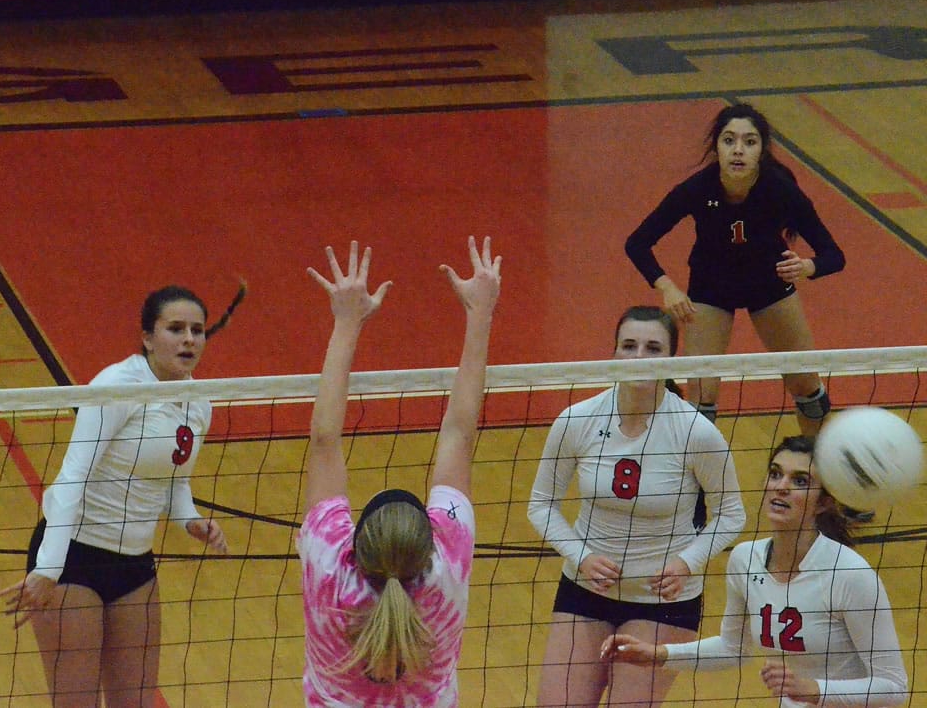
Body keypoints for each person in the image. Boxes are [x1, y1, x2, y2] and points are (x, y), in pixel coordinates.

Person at [0, 283, 245, 708]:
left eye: (197, 330)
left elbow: (174, 479)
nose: (189, 338)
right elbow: (70, 480)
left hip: (135, 565)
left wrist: (189, 519)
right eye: (175, 329)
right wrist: (49, 567)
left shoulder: (198, 403)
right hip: (73, 560)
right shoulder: (117, 386)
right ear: (148, 338)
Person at [297, 236, 500, 707]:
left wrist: (346, 322)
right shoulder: (446, 566)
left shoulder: (331, 566)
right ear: (428, 545)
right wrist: (480, 315)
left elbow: (324, 441)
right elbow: (459, 436)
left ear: (356, 546)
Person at [527, 305, 747, 707]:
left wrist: (687, 562)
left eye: (652, 347)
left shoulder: (696, 432)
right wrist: (582, 556)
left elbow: (732, 514)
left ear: (671, 360)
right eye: (629, 346)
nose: (639, 357)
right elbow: (541, 505)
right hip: (585, 590)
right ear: (613, 353)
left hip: (662, 601)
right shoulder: (577, 420)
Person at [603, 435, 909, 706]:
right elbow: (733, 648)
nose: (781, 487)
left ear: (823, 503)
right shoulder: (745, 559)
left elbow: (894, 688)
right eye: (776, 474)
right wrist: (658, 655)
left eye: (800, 481)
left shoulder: (849, 574)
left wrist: (813, 689)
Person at [625, 103, 845, 439]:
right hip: (711, 287)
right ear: (717, 148)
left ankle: (821, 474)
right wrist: (667, 286)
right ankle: (694, 487)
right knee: (702, 397)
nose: (738, 150)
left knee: (806, 386)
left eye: (749, 141)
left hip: (768, 285)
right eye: (729, 141)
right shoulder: (698, 189)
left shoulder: (780, 189)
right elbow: (638, 242)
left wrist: (807, 267)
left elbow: (834, 255)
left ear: (762, 150)